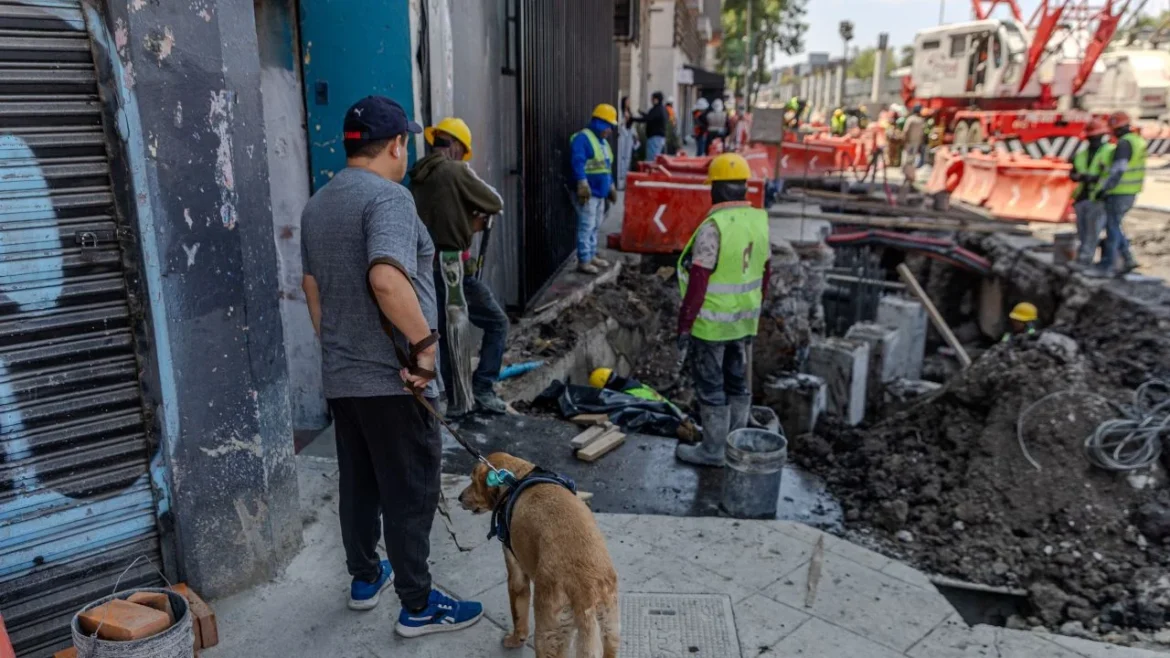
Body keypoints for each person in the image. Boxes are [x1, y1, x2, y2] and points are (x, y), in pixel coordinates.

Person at [299, 96, 483, 636]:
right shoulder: (390, 200)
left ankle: (364, 579)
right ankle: (418, 604)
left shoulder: (318, 204)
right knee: (410, 492)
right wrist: (425, 347)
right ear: (398, 144)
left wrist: (340, 349)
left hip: (345, 380)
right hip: (396, 382)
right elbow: (385, 277)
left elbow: (312, 292)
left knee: (359, 484)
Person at [675, 153, 771, 467]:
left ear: (715, 190)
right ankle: (736, 443)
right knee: (736, 380)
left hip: (712, 324)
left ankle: (713, 450)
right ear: (743, 187)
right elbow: (765, 272)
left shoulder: (714, 227)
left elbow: (699, 280)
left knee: (711, 384)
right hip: (744, 321)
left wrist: (685, 324)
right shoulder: (759, 220)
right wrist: (755, 308)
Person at [409, 116, 509, 414]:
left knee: (444, 336)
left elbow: (440, 214)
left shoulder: (418, 175)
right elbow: (494, 201)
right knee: (497, 323)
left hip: (426, 270)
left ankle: (455, 401)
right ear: (453, 146)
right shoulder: (454, 170)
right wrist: (471, 221)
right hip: (453, 271)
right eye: (462, 151)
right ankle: (482, 388)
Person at [1089, 111, 1145, 277]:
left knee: (1112, 228)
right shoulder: (1137, 141)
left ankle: (1110, 264)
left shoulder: (1124, 144)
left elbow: (1118, 170)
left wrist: (1104, 189)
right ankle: (1126, 258)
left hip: (1119, 192)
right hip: (1130, 192)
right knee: (1115, 226)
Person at [571, 103, 618, 275]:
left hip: (599, 193)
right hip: (589, 193)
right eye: (608, 126)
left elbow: (606, 167)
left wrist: (611, 186)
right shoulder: (583, 139)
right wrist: (582, 184)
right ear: (599, 122)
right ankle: (584, 260)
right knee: (587, 225)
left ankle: (591, 255)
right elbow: (578, 163)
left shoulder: (602, 143)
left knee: (595, 225)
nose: (610, 130)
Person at [1069, 118, 1113, 268]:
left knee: (1093, 231)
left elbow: (1111, 175)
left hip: (1099, 197)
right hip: (1082, 197)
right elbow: (1073, 173)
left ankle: (1085, 259)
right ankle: (1084, 256)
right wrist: (1080, 176)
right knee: (1082, 231)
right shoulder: (1082, 154)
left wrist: (1095, 179)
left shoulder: (1109, 152)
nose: (1093, 140)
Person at [632, 91, 669, 162]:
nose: (651, 101)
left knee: (652, 159)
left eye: (652, 99)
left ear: (656, 99)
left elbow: (648, 119)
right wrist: (642, 113)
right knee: (655, 158)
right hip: (659, 138)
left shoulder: (657, 110)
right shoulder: (662, 109)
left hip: (655, 138)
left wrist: (632, 119)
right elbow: (650, 117)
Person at [616, 96, 638, 190]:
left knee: (627, 158)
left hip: (629, 136)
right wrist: (625, 119)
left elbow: (632, 125)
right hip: (622, 135)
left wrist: (635, 135)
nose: (628, 103)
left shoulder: (629, 111)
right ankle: (620, 181)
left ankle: (625, 180)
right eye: (627, 101)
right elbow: (619, 125)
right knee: (621, 158)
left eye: (629, 101)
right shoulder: (620, 112)